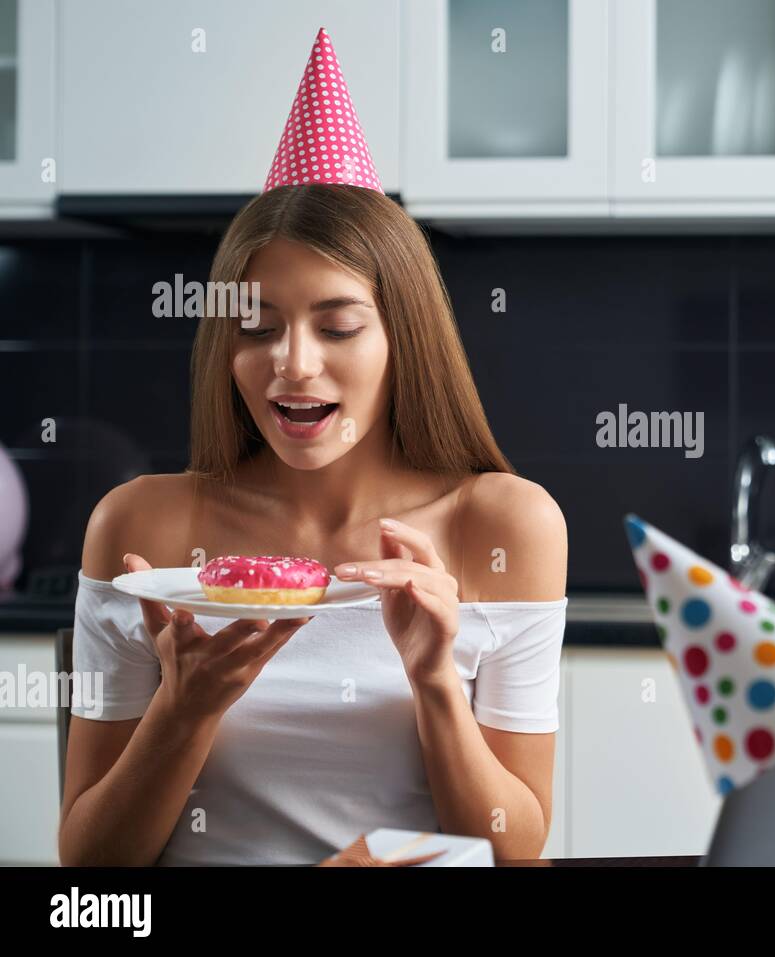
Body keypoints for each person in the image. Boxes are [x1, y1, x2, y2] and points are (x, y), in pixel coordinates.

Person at [57, 29, 567, 866]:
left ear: (404, 337)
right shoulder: (140, 525)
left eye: (337, 325)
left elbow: (513, 848)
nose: (291, 363)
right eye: (255, 327)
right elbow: (90, 867)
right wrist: (185, 706)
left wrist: (436, 679)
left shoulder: (503, 524)